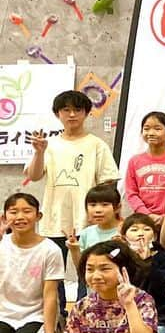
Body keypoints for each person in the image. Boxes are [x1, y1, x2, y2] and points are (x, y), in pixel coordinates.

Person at [24, 90, 120, 273]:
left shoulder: (97, 144)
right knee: (52, 273)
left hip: (88, 222)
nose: (72, 114)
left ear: (86, 112)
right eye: (66, 110)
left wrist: (98, 213)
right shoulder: (48, 145)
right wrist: (39, 152)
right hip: (54, 219)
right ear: (57, 114)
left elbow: (107, 184)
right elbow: (34, 176)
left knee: (89, 271)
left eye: (77, 109)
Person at [0, 193, 64, 333]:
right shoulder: (1, 244)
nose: (20, 217)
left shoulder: (50, 250)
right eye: (13, 212)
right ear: (4, 217)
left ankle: (55, 331)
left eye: (27, 211)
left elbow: (50, 295)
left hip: (35, 316)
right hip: (4, 315)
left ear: (38, 216)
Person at [124, 111, 165, 226]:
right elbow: (131, 193)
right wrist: (147, 215)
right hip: (144, 222)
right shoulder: (134, 161)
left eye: (157, 129)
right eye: (147, 128)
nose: (151, 133)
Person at [67, 183, 123, 271]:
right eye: (92, 205)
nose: (98, 210)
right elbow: (82, 269)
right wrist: (74, 250)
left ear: (118, 208)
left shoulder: (127, 231)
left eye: (105, 205)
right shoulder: (86, 233)